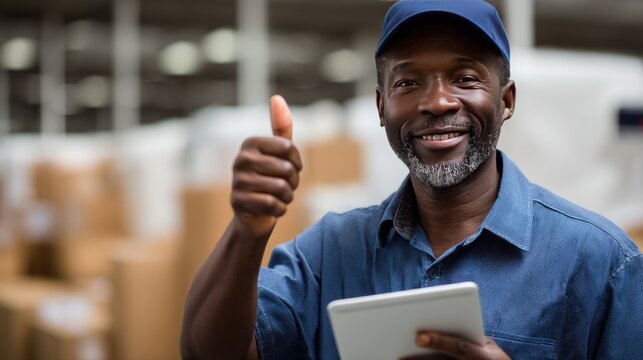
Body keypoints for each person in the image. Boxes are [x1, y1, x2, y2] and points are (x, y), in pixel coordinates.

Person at [180, 1, 643, 359]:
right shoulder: (328, 253)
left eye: (465, 78)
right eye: (408, 83)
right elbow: (208, 352)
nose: (438, 102)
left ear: (506, 100)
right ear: (381, 108)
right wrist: (246, 229)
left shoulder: (599, 261)